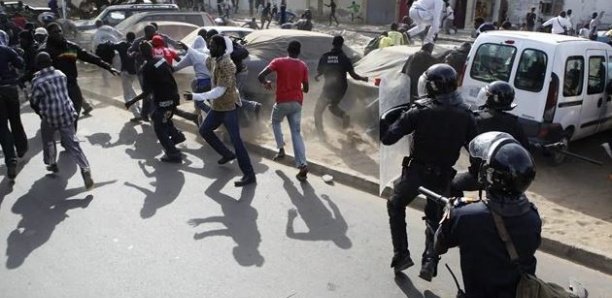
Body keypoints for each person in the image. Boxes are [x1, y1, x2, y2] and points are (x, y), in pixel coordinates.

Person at [379, 63, 477, 279]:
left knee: (395, 204)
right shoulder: (467, 115)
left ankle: (401, 254)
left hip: (416, 172)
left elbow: (388, 138)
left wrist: (386, 119)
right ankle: (430, 261)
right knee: (435, 217)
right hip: (443, 175)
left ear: (432, 86)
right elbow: (476, 150)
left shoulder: (418, 112)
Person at [435, 131, 541, 297]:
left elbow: (439, 245)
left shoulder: (464, 216)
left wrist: (451, 212)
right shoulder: (533, 218)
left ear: (489, 176)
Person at [185, 34, 256, 187]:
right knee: (204, 130)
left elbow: (219, 91)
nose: (209, 47)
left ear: (220, 47)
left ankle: (249, 175)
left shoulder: (227, 65)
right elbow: (200, 56)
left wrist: (195, 96)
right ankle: (226, 154)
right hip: (217, 107)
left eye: (212, 44)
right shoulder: (214, 59)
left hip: (228, 107)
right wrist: (187, 48)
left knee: (237, 141)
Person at [450, 81, 529, 197]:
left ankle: (458, 210)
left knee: (451, 185)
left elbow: (460, 141)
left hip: (477, 175)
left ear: (491, 99)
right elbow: (524, 149)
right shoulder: (515, 124)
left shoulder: (476, 119)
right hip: (503, 179)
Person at [30, 52, 94, 188]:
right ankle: (85, 168)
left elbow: (34, 100)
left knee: (48, 139)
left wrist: (40, 112)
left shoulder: (37, 81)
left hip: (50, 116)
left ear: (38, 65)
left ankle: (52, 162)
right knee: (73, 143)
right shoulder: (61, 75)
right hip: (66, 113)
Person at [40, 22, 119, 123]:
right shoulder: (45, 51)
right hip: (54, 88)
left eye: (60, 31)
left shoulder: (70, 47)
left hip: (71, 85)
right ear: (49, 34)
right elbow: (35, 69)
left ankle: (70, 135)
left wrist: (107, 66)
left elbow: (88, 56)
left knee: (74, 114)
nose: (59, 33)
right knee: (57, 117)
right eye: (55, 32)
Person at [257, 40, 310, 180]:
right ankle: (302, 165)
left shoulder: (278, 62)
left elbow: (260, 76)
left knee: (275, 122)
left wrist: (266, 83)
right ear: (299, 52)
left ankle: (281, 149)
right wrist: (298, 86)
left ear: (288, 50)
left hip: (282, 102)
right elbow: (306, 88)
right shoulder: (303, 65)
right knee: (296, 133)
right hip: (297, 103)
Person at [125, 41, 185, 163]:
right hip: (173, 97)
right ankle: (177, 136)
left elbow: (147, 92)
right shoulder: (161, 60)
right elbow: (171, 73)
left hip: (162, 101)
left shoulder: (147, 68)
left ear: (141, 54)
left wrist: (132, 101)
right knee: (160, 117)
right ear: (152, 50)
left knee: (159, 127)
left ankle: (173, 154)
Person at [314, 36, 368, 139]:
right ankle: (344, 118)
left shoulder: (325, 57)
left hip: (329, 89)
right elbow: (353, 75)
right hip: (341, 89)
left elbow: (320, 72)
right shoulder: (344, 58)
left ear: (332, 43)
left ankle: (320, 134)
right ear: (342, 44)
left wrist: (317, 76)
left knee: (318, 111)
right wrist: (363, 79)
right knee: (332, 106)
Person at [0, 30, 26, 180]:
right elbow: (20, 63)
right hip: (10, 89)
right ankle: (21, 148)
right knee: (15, 120)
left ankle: (11, 161)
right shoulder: (7, 50)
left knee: (2, 128)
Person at [109, 31, 141, 122]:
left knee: (127, 93)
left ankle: (136, 114)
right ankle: (139, 106)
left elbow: (111, 45)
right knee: (130, 88)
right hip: (135, 72)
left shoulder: (122, 44)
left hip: (125, 71)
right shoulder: (137, 45)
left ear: (126, 37)